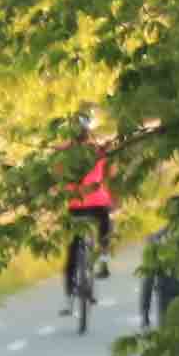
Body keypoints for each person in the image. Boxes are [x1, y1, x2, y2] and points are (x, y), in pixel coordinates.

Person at [65, 115, 118, 269]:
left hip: (74, 205)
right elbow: (111, 175)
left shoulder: (65, 151)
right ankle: (103, 257)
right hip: (97, 205)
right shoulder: (97, 150)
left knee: (74, 235)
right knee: (106, 223)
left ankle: (74, 269)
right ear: (87, 132)